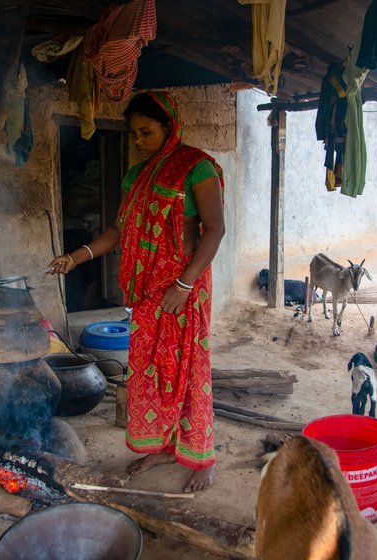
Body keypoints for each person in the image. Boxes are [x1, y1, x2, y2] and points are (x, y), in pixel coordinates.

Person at [49, 91, 225, 492]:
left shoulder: (196, 168)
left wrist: (183, 285)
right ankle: (165, 447)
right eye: (134, 134)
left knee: (189, 369)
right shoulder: (137, 176)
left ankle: (202, 455)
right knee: (150, 370)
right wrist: (75, 258)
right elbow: (119, 231)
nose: (139, 141)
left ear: (170, 127)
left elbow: (214, 231)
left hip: (185, 288)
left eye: (146, 132)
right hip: (147, 291)